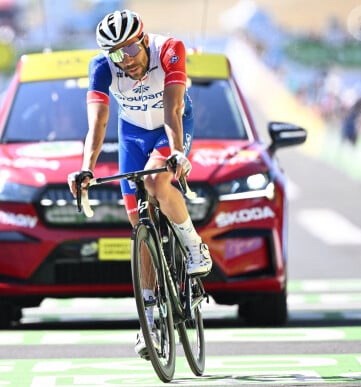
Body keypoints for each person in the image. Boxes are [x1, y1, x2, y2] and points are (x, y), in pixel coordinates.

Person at [68, 9, 212, 359]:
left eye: (130, 51)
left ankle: (194, 246)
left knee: (155, 182)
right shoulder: (101, 68)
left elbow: (174, 107)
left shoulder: (169, 50)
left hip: (170, 126)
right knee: (138, 225)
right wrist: (86, 168)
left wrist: (177, 151)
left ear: (144, 40)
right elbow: (98, 123)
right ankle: (148, 315)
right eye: (115, 54)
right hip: (131, 134)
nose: (125, 61)